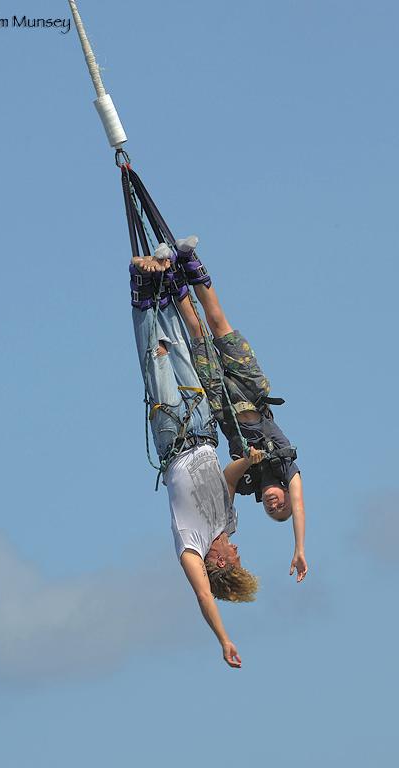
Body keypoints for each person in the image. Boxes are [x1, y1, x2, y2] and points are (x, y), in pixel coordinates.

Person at [129, 251, 263, 668]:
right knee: (184, 350)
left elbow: (203, 595)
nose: (239, 550)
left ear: (221, 563)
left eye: (237, 558)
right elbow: (226, 479)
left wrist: (224, 640)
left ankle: (141, 284)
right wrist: (250, 460)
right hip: (202, 428)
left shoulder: (192, 547)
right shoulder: (228, 522)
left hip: (172, 435)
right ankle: (166, 286)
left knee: (158, 358)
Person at [164, 236, 308, 584]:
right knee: (218, 324)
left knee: (197, 334)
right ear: (287, 496)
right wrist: (299, 547)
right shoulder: (288, 469)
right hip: (251, 392)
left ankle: (174, 282)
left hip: (220, 404)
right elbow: (301, 507)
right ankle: (191, 262)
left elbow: (223, 487)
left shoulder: (247, 485)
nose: (276, 506)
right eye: (282, 507)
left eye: (272, 511)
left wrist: (247, 462)